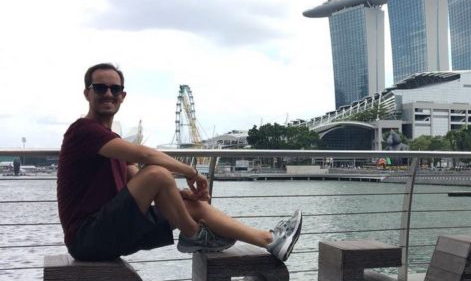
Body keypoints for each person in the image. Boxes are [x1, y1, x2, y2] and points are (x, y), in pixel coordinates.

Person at [57, 63, 302, 262]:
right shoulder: (84, 131)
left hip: (112, 232)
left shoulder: (112, 142)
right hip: (86, 238)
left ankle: (269, 240)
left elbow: (137, 184)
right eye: (100, 88)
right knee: (157, 172)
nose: (108, 94)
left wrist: (178, 195)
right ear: (87, 93)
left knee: (192, 205)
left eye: (114, 88)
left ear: (123, 96)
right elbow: (146, 158)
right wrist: (191, 172)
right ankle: (195, 235)